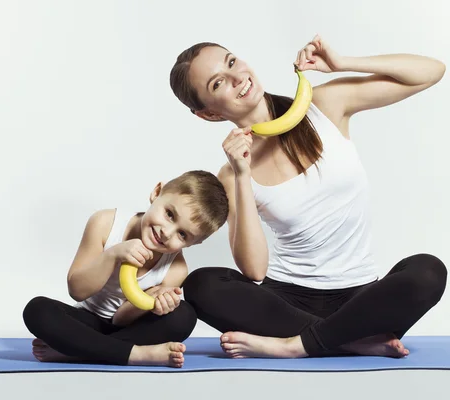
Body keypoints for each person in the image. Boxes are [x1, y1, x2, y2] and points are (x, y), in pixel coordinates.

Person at [168, 34, 447, 359]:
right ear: (210, 114)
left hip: (362, 300)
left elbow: (432, 71)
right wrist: (242, 175)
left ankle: (297, 345)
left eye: (232, 62)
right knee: (202, 284)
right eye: (218, 84)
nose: (236, 77)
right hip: (287, 304)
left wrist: (344, 63)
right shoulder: (231, 172)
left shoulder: (324, 106)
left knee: (428, 272)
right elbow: (255, 272)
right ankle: (347, 340)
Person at [22, 170, 229, 368]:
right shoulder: (105, 222)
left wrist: (153, 300)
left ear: (193, 244)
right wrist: (113, 255)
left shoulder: (176, 269)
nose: (167, 233)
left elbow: (120, 318)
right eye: (169, 214)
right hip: (86, 322)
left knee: (183, 316)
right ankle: (136, 354)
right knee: (38, 310)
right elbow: (76, 291)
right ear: (157, 192)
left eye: (182, 235)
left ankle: (76, 350)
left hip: (130, 330)